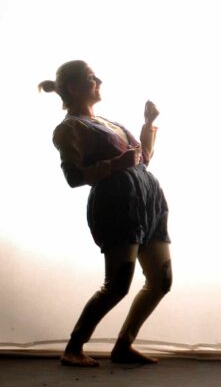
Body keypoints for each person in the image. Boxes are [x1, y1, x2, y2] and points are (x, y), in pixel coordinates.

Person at [39, 60, 172, 367]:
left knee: (161, 281)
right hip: (117, 207)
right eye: (90, 78)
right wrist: (115, 166)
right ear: (73, 87)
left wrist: (147, 122)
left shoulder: (112, 124)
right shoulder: (70, 128)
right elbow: (74, 177)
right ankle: (73, 347)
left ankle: (123, 346)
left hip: (149, 204)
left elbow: (143, 158)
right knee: (117, 285)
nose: (98, 81)